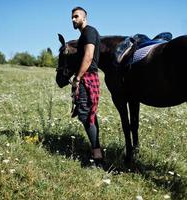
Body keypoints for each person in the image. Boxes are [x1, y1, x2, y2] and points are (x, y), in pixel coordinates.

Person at [71, 7, 103, 167]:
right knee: (88, 113)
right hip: (86, 77)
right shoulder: (84, 35)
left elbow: (89, 56)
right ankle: (97, 153)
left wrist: (77, 78)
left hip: (87, 77)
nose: (73, 19)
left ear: (84, 17)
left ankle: (98, 158)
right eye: (72, 17)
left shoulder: (89, 32)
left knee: (85, 113)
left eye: (76, 16)